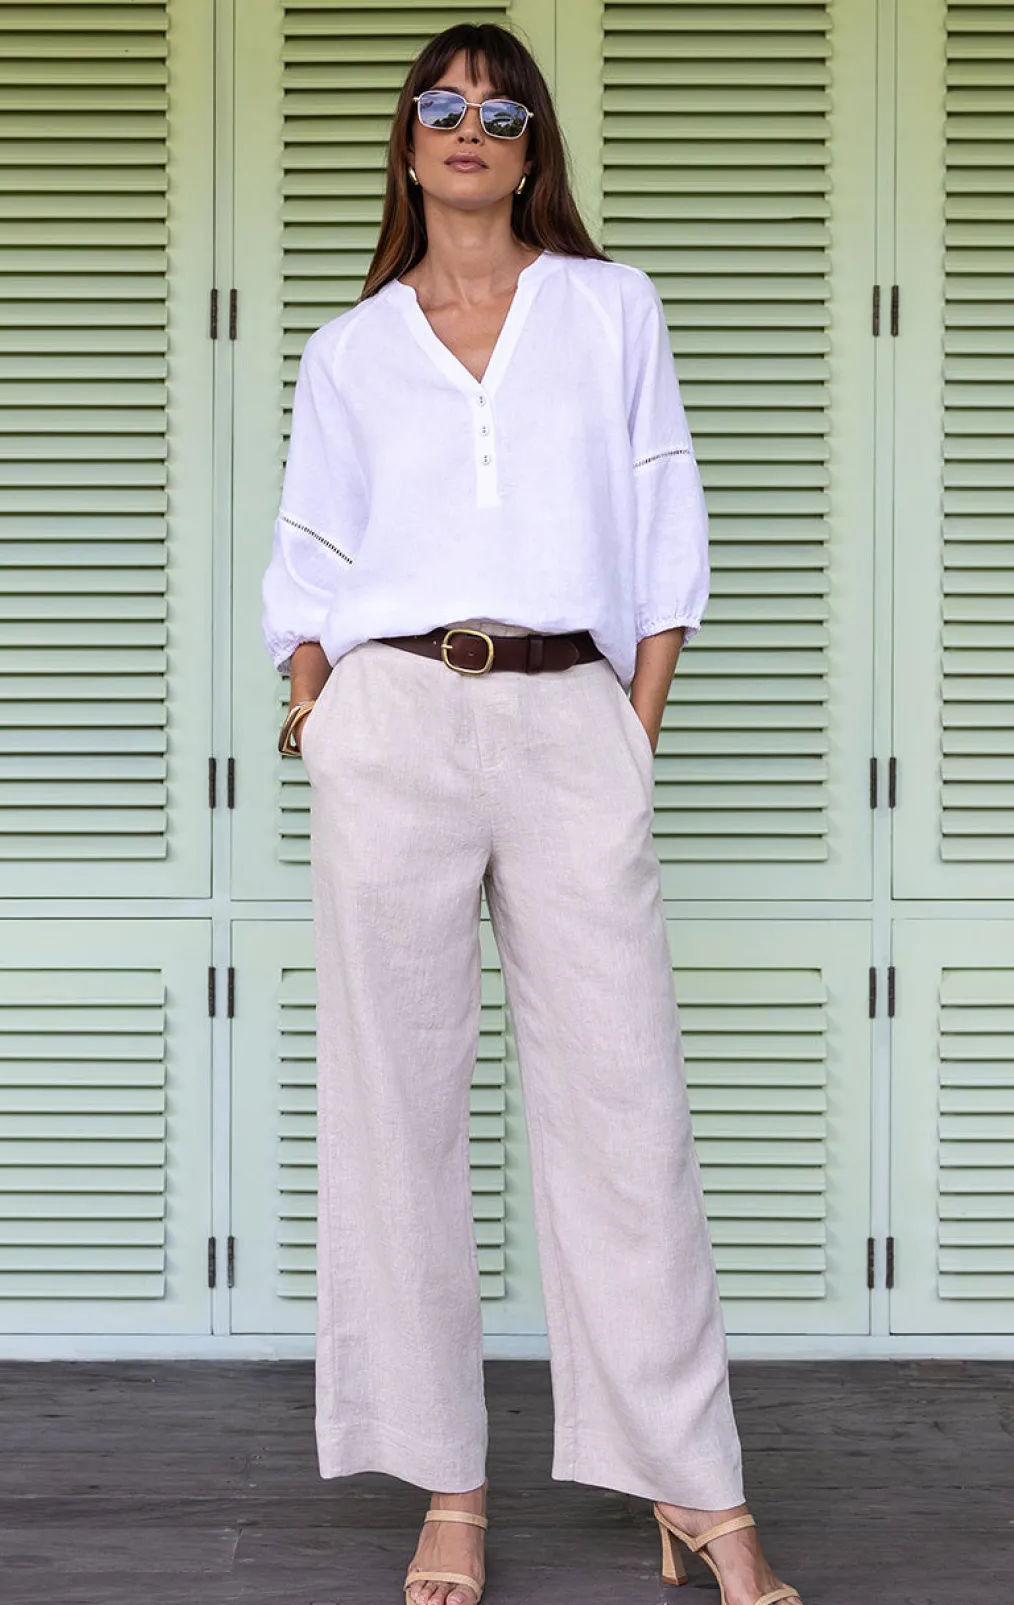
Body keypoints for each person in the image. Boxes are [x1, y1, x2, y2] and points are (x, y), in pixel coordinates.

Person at [260, 20, 804, 1605]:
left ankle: (694, 1487)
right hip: (394, 719)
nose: (466, 127)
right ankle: (449, 1486)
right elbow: (307, 557)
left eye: (496, 112)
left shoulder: (609, 308)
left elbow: (665, 522)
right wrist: (319, 710)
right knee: (394, 1108)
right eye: (439, 104)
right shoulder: (352, 347)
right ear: (405, 143)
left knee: (624, 1107)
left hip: (571, 713)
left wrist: (630, 733)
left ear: (529, 150)